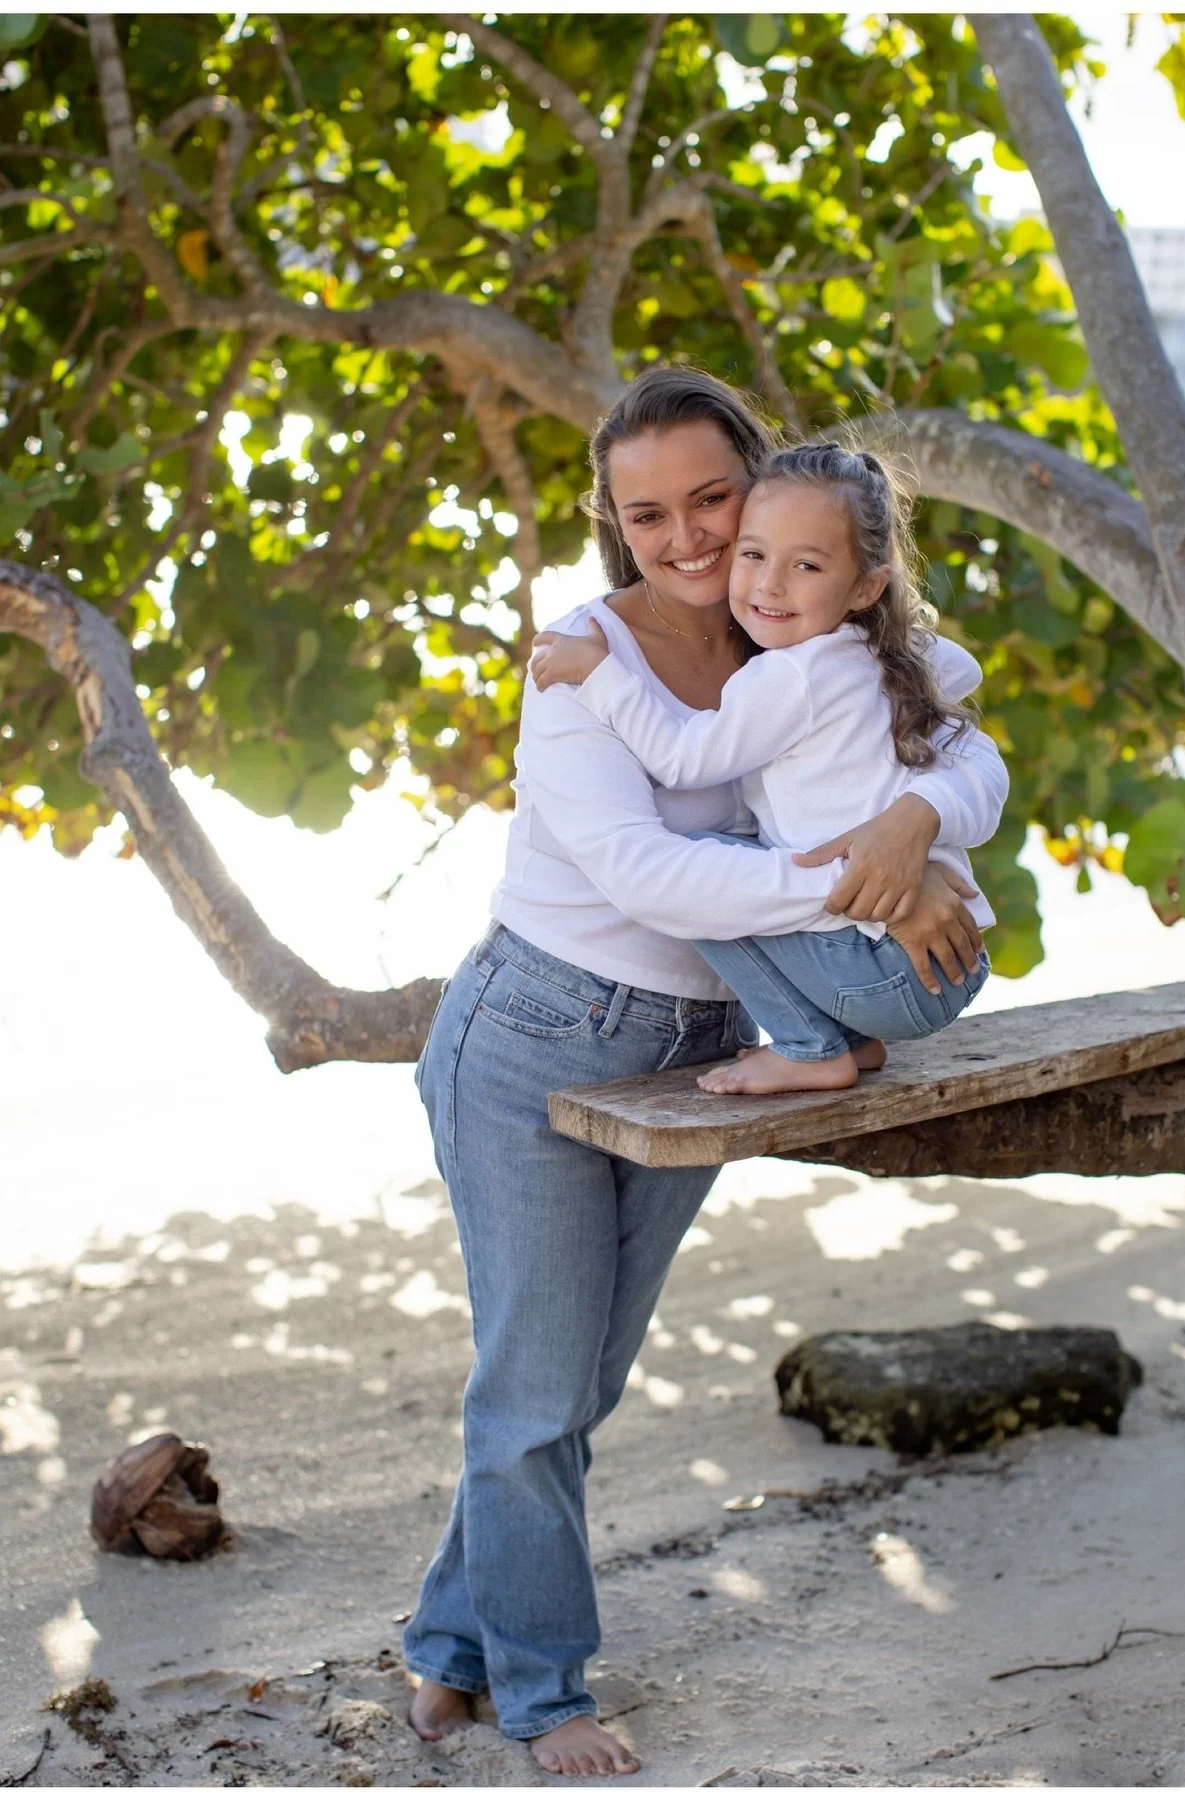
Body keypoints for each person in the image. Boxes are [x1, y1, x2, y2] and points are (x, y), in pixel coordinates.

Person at [402, 367, 990, 1779]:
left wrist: (912, 821)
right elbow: (649, 874)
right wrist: (863, 886)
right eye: (645, 513)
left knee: (568, 1386)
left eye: (711, 499)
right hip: (534, 1042)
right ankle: (544, 1697)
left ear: (765, 485)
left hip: (706, 1049)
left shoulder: (805, 617)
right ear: (613, 525)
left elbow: (970, 744)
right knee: (537, 1396)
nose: (684, 540)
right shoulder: (579, 665)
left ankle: (448, 1645)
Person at [530, 440, 1005, 1095]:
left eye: (806, 565)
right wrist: (902, 858)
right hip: (954, 955)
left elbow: (681, 757)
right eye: (755, 555)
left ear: (866, 586)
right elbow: (967, 704)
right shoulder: (884, 653)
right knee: (736, 859)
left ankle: (812, 1049)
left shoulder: (790, 674)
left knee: (703, 872)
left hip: (884, 966)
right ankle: (850, 1042)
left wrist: (601, 675)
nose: (770, 585)